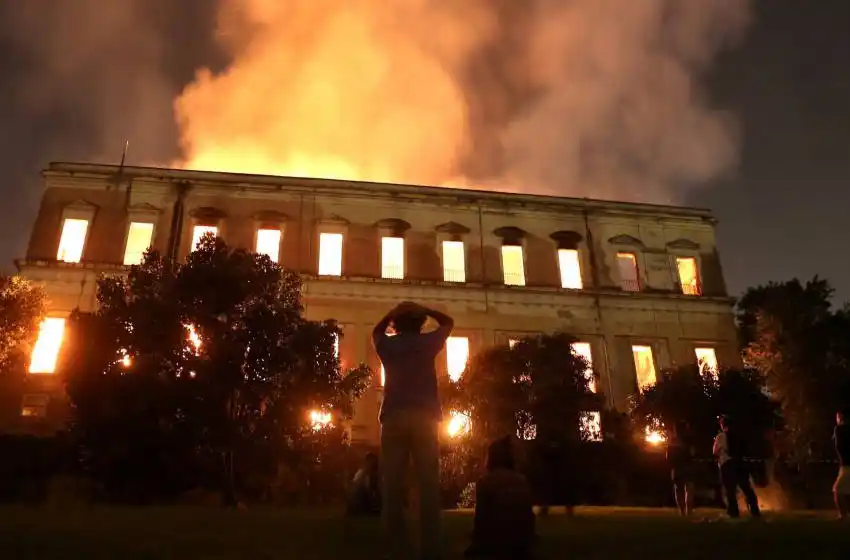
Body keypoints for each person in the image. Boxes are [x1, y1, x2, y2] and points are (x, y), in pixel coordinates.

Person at [374, 301, 454, 560]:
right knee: (428, 482)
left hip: (394, 415)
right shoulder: (427, 343)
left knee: (393, 484)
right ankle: (429, 544)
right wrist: (425, 308)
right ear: (419, 324)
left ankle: (392, 542)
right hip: (425, 416)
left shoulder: (388, 345)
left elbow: (376, 332)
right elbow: (448, 322)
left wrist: (392, 311)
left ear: (396, 324)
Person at [466, 436, 536, 560]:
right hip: (521, 544)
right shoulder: (522, 480)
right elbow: (528, 517)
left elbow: (481, 519)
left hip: (496, 545)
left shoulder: (486, 482)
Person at [713, 415, 760, 519]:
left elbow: (715, 451)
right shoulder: (739, 436)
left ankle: (733, 512)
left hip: (727, 464)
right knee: (746, 488)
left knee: (730, 490)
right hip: (740, 463)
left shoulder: (721, 436)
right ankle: (755, 510)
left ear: (722, 424)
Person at [666, 423, 696, 517]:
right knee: (689, 488)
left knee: (679, 489)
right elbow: (692, 453)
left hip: (677, 468)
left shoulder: (672, 442)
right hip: (687, 467)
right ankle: (689, 510)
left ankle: (682, 511)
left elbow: (668, 457)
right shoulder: (688, 441)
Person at [347, 452, 381, 517]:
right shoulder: (363, 472)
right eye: (370, 461)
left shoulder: (373, 473)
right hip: (360, 500)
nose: (372, 463)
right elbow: (357, 486)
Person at [832, 410, 850, 519]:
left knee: (837, 490)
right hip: (846, 464)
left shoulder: (839, 429)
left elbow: (838, 446)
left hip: (847, 464)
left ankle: (842, 515)